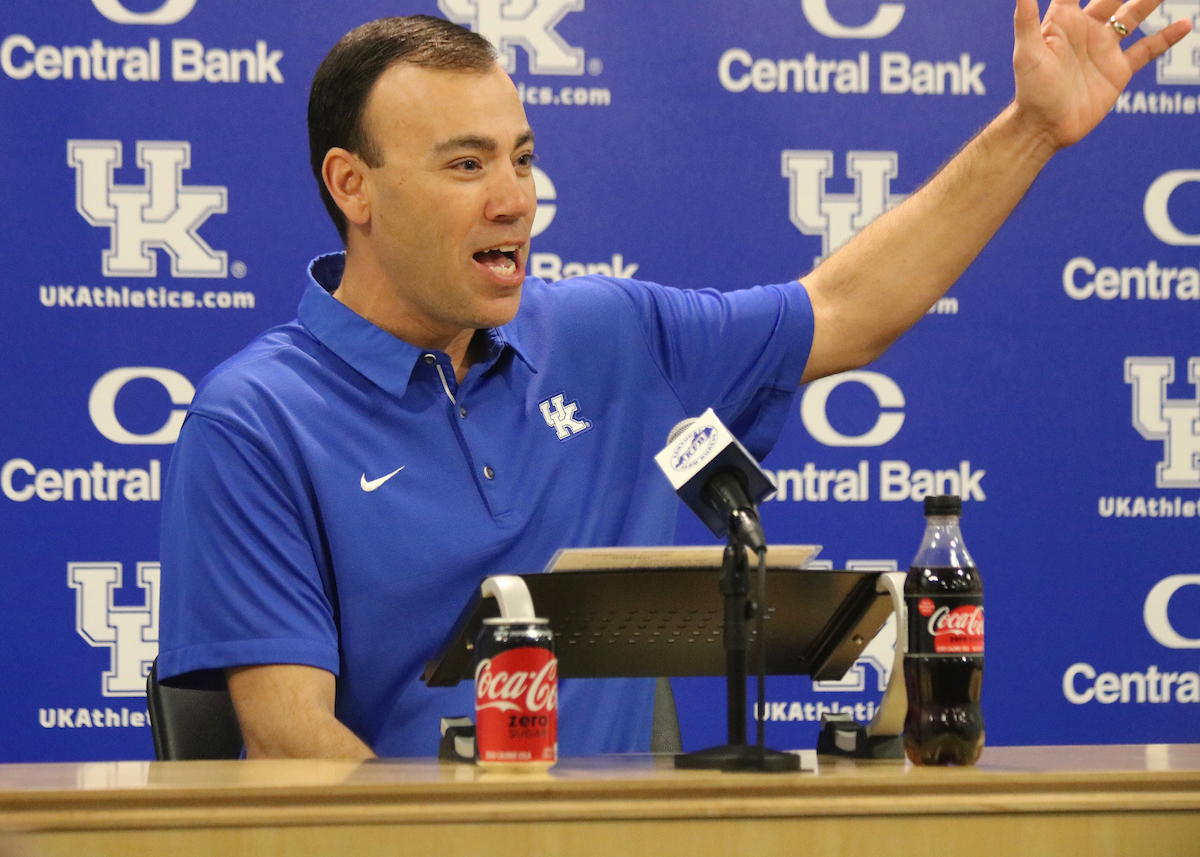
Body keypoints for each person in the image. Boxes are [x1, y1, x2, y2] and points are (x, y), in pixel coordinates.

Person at [156, 3, 1190, 759]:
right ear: (354, 187)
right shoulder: (255, 419)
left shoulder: (607, 331)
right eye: (467, 166)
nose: (516, 199)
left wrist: (1034, 130)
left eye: (521, 158)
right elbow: (290, 730)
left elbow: (848, 308)